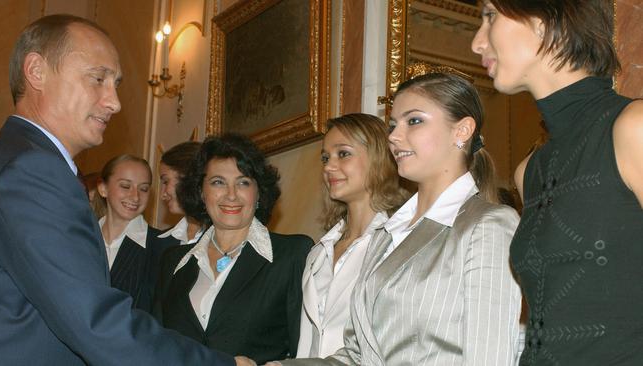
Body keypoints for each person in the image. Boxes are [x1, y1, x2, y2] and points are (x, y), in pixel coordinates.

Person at [0, 13, 250, 365]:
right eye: (98, 79)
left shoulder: (9, 158)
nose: (114, 102)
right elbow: (95, 323)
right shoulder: (33, 170)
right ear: (36, 71)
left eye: (115, 83)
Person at [278, 70, 522, 366]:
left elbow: (490, 357)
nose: (393, 136)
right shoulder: (386, 234)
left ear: (462, 130)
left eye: (414, 121)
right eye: (393, 125)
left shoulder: (488, 225)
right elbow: (359, 356)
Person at [472, 1, 643, 365]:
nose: (476, 43)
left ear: (544, 20)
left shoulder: (633, 126)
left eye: (489, 16)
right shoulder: (529, 170)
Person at [153, 133, 313, 364]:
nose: (231, 194)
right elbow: (156, 347)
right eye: (218, 182)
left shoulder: (292, 254)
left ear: (258, 193)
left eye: (243, 182)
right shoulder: (172, 261)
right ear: (200, 191)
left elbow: (304, 352)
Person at [296, 113, 407, 357]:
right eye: (325, 157)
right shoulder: (318, 252)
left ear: (379, 157)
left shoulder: (400, 244)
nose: (328, 166)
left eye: (343, 154)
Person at [96, 154, 172, 313]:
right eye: (125, 186)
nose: (135, 196)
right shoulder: (79, 239)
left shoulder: (164, 248)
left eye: (144, 189)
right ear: (103, 188)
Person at [157, 141, 204, 245]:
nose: (162, 195)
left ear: (188, 177)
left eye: (166, 181)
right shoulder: (162, 242)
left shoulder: (224, 238)